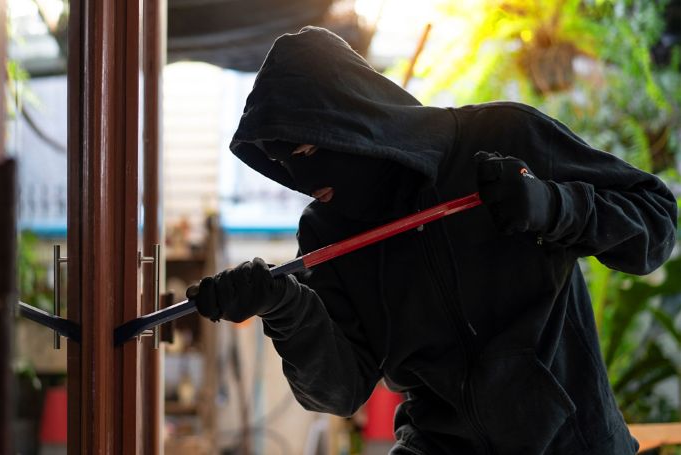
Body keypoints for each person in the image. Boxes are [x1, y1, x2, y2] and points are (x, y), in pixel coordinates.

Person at [186, 27, 678, 454]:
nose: (300, 175)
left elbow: (655, 226)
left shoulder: (506, 135)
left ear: (356, 114)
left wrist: (552, 205)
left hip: (575, 445)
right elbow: (339, 391)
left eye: (306, 148)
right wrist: (285, 307)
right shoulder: (326, 230)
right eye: (281, 160)